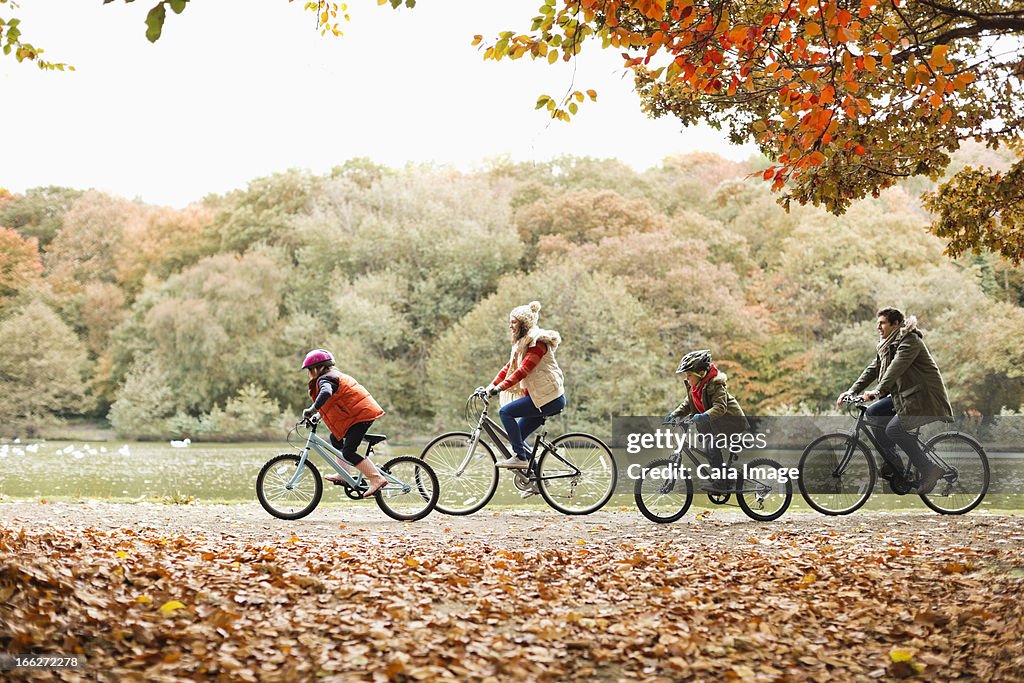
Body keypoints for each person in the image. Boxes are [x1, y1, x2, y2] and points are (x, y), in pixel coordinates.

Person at [837, 308, 953, 494]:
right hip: (905, 396)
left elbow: (895, 369)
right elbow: (873, 369)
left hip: (923, 397)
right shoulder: (887, 346)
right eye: (878, 323)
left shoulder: (910, 341)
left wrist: (877, 391)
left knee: (894, 429)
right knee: (873, 412)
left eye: (882, 322)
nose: (878, 327)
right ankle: (893, 461)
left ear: (895, 324)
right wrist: (852, 390)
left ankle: (930, 469)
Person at [483, 301, 566, 470]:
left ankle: (521, 458)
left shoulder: (538, 343)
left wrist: (500, 388)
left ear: (524, 323)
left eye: (514, 322)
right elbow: (509, 368)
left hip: (549, 399)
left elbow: (523, 370)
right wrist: (490, 386)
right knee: (517, 438)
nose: (510, 325)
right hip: (538, 399)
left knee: (505, 412)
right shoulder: (523, 344)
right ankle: (537, 482)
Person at [301, 349, 388, 496]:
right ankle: (343, 475)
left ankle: (376, 478)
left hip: (360, 415)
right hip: (358, 414)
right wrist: (317, 417)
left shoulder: (325, 379)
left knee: (348, 452)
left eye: (310, 370)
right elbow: (333, 402)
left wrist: (312, 409)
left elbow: (326, 394)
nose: (309, 373)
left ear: (318, 368)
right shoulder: (332, 377)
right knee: (335, 438)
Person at [667, 349, 748, 489]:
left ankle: (722, 482)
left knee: (712, 447)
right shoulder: (695, 387)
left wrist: (703, 416)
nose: (687, 378)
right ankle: (725, 479)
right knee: (708, 447)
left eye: (689, 375)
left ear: (701, 373)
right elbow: (687, 404)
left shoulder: (716, 386)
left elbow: (720, 407)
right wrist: (674, 415)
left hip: (730, 423)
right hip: (715, 426)